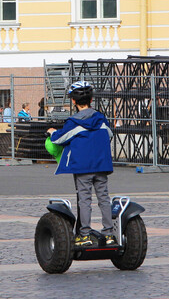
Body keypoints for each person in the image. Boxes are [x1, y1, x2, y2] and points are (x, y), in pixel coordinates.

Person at [47, 81, 115, 248]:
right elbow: (110, 135)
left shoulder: (73, 122)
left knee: (84, 199)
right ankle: (109, 234)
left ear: (73, 101)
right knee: (104, 198)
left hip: (83, 167)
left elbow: (59, 139)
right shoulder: (101, 118)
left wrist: (52, 132)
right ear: (91, 99)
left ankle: (84, 234)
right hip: (101, 165)